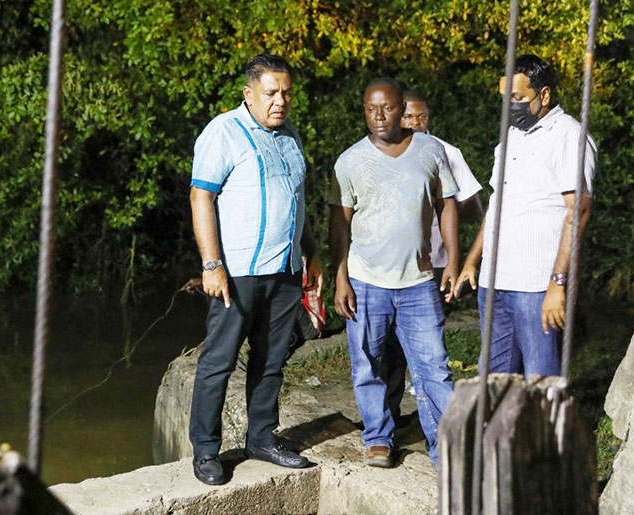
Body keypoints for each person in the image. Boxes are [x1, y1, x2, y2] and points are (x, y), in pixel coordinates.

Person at [188, 53, 320, 485]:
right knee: (219, 362)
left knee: (271, 360)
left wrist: (311, 251)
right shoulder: (223, 132)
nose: (279, 101)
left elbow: (298, 200)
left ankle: (261, 439)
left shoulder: (290, 136)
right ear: (249, 94)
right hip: (238, 272)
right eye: (270, 93)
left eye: (286, 93)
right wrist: (212, 265)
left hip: (284, 269)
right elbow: (200, 197)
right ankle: (206, 450)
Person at [328, 78, 458, 469]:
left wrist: (453, 258)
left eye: (387, 108)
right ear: (364, 111)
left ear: (403, 108)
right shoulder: (350, 161)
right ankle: (378, 438)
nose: (379, 116)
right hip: (366, 281)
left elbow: (447, 204)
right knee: (369, 363)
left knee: (433, 367)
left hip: (418, 283)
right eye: (371, 109)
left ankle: (447, 446)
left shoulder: (430, 150)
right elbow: (339, 223)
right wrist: (340, 277)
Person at [454, 54, 597, 377]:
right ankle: (501, 430)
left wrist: (557, 284)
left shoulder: (569, 137)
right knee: (493, 376)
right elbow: (497, 203)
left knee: (540, 377)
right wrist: (472, 262)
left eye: (518, 98)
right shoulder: (512, 138)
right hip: (495, 281)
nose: (510, 106)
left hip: (536, 285)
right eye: (505, 98)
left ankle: (542, 430)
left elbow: (580, 213)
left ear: (544, 95)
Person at [381, 89, 484, 423]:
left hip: (434, 264)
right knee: (389, 348)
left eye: (421, 116)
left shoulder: (445, 152)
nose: (416, 123)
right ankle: (391, 418)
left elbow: (472, 199)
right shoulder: (381, 150)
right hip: (390, 265)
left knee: (429, 349)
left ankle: (439, 424)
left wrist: (445, 217)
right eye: (409, 116)